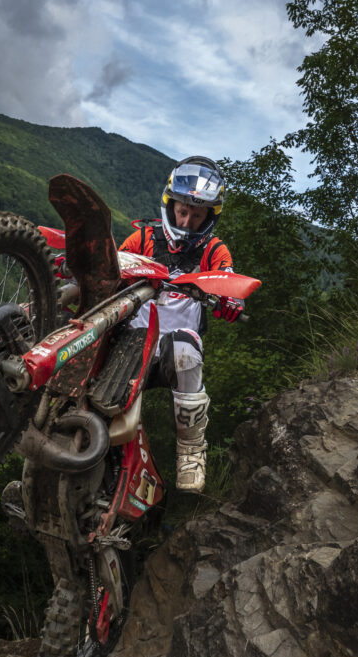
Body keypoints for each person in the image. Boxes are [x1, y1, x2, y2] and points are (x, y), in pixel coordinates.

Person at [119, 156, 242, 492]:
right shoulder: (142, 238)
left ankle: (191, 454)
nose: (187, 221)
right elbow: (112, 264)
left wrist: (232, 298)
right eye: (182, 211)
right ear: (170, 205)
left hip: (173, 353)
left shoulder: (214, 250)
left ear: (208, 217)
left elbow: (228, 278)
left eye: (197, 214)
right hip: (131, 344)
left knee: (185, 347)